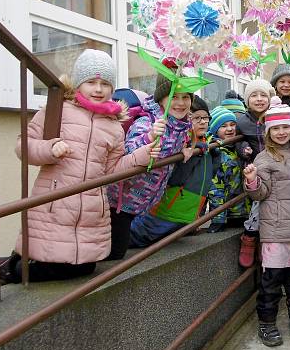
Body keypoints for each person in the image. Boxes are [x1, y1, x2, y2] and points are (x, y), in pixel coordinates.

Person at [0, 50, 156, 284]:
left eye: (105, 83)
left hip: (90, 209)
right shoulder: (58, 110)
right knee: (49, 256)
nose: (98, 89)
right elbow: (23, 146)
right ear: (78, 83)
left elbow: (113, 170)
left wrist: (144, 152)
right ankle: (10, 270)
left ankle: (6, 265)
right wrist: (49, 149)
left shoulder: (114, 126)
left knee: (85, 267)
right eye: (91, 82)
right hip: (56, 203)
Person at [243, 98, 290, 347]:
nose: (281, 132)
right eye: (276, 129)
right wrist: (252, 180)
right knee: (271, 281)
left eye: (285, 127)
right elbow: (259, 194)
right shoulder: (264, 159)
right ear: (268, 132)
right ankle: (267, 323)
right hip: (276, 231)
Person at [106, 73, 192, 260]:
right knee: (114, 252)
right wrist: (150, 137)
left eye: (186, 97)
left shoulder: (182, 126)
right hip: (121, 200)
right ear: (162, 99)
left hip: (143, 200)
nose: (180, 103)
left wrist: (185, 147)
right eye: (174, 97)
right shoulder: (148, 122)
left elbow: (176, 141)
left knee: (122, 247)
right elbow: (128, 151)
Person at [129, 97, 219, 247]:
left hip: (186, 213)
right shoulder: (179, 143)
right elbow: (174, 177)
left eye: (205, 117)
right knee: (138, 237)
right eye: (197, 118)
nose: (203, 121)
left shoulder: (207, 144)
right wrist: (192, 154)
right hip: (165, 209)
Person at [235, 79, 274, 267]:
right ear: (247, 100)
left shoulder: (275, 115)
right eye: (254, 96)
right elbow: (237, 141)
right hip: (255, 170)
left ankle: (263, 241)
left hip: (276, 167)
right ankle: (250, 237)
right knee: (259, 204)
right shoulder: (242, 121)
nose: (259, 100)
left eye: (263, 95)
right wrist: (243, 148)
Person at [205, 106, 249, 233]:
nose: (230, 129)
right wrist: (218, 218)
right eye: (223, 126)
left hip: (244, 213)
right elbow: (215, 189)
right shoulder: (216, 152)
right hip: (228, 215)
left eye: (232, 124)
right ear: (215, 130)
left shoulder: (240, 146)